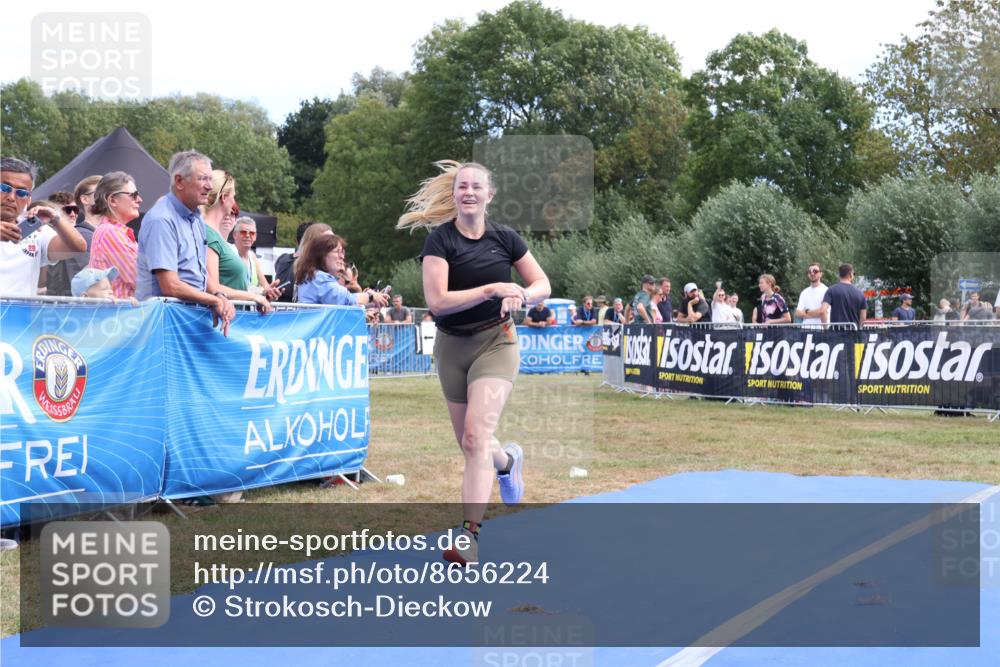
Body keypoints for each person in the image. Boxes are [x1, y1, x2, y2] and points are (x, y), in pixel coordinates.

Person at [398, 160, 550, 566]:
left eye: (475, 186)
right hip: (451, 347)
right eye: (461, 186)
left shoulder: (506, 238)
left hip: (495, 344)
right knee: (475, 445)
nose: (468, 192)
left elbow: (542, 283)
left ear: (489, 195)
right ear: (454, 194)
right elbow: (437, 302)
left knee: (475, 437)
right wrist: (491, 288)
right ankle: (508, 462)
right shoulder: (439, 241)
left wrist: (522, 295)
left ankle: (469, 537)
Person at [135, 150, 235, 335]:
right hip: (161, 327)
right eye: (203, 179)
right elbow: (170, 286)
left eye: (210, 179)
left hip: (186, 322)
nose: (209, 186)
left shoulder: (196, 218)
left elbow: (200, 276)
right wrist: (214, 301)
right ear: (179, 181)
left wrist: (219, 295)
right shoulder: (161, 219)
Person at [0, 158, 87, 297]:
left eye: (21, 193)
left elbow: (78, 247)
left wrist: (55, 218)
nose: (11, 197)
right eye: (4, 188)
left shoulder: (35, 229)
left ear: (29, 199)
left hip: (18, 317)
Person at [201, 172, 277, 310]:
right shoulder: (208, 235)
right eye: (233, 196)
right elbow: (212, 287)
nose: (234, 202)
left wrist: (260, 294)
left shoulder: (214, 235)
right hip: (220, 319)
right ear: (224, 198)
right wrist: (253, 297)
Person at [294, 233, 388, 308]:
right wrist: (370, 296)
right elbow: (346, 299)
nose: (342, 257)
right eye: (337, 252)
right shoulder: (319, 278)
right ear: (322, 255)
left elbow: (345, 303)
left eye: (343, 252)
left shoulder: (313, 276)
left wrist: (374, 301)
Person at [45, 177, 102, 296]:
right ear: (52, 213)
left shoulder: (78, 237)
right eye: (67, 210)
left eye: (75, 210)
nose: (73, 214)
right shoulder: (44, 237)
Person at [88, 171, 142, 298]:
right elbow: (143, 281)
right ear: (112, 200)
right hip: (120, 315)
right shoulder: (109, 233)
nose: (139, 200)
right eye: (133, 195)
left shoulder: (114, 232)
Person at [273, 221, 313, 303]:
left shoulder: (282, 259)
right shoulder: (310, 264)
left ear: (296, 241)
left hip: (278, 309)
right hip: (297, 312)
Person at [821, 263, 867, 328]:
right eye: (853, 274)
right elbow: (863, 318)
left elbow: (822, 311)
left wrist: (826, 329)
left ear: (839, 275)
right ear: (850, 274)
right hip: (853, 333)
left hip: (835, 333)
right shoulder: (860, 293)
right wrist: (859, 331)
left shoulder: (831, 290)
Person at [795, 263, 828, 328]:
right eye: (809, 272)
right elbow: (797, 313)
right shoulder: (804, 292)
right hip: (805, 330)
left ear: (821, 274)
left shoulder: (827, 291)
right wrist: (815, 313)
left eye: (815, 271)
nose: (812, 273)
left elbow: (822, 311)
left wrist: (806, 312)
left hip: (821, 330)